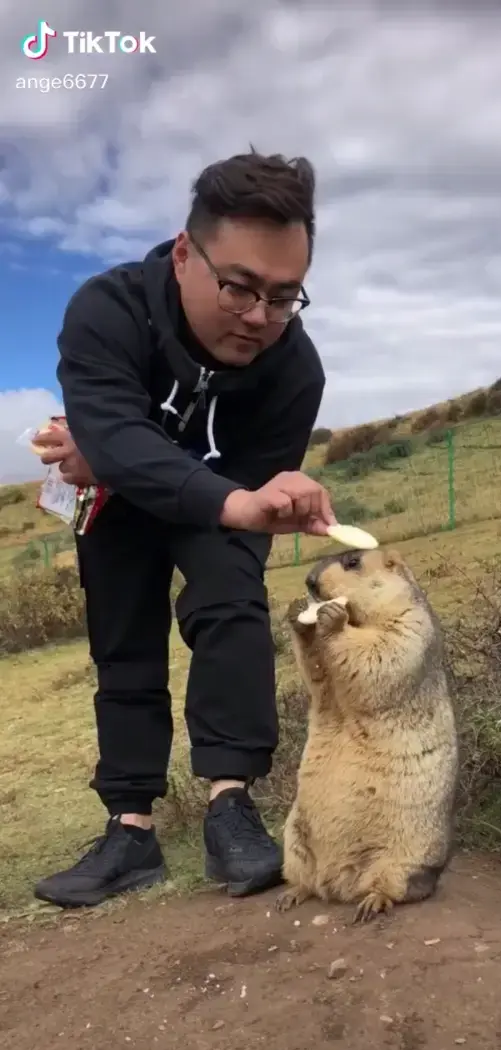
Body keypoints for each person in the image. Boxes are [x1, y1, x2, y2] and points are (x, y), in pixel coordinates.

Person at [32, 150, 335, 909]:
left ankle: (231, 804)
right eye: (238, 285)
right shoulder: (105, 311)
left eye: (284, 296)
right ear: (182, 254)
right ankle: (129, 829)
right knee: (122, 636)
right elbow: (113, 432)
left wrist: (114, 454)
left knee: (229, 600)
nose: (260, 316)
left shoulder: (296, 371)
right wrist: (111, 453)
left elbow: (238, 492)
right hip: (123, 503)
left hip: (210, 499)